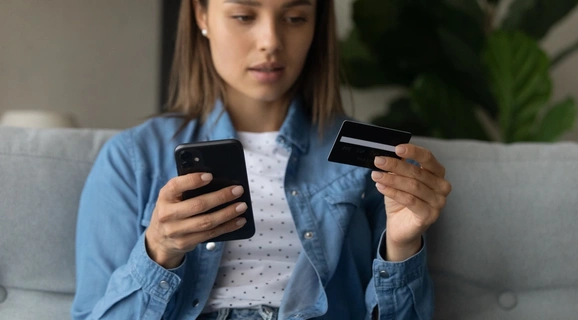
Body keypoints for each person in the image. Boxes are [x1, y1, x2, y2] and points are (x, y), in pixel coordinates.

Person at [71, 0, 452, 319]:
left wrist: (402, 247)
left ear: (317, 25)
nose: (271, 41)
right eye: (243, 16)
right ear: (201, 16)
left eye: (295, 18)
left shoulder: (368, 157)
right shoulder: (132, 159)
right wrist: (159, 251)